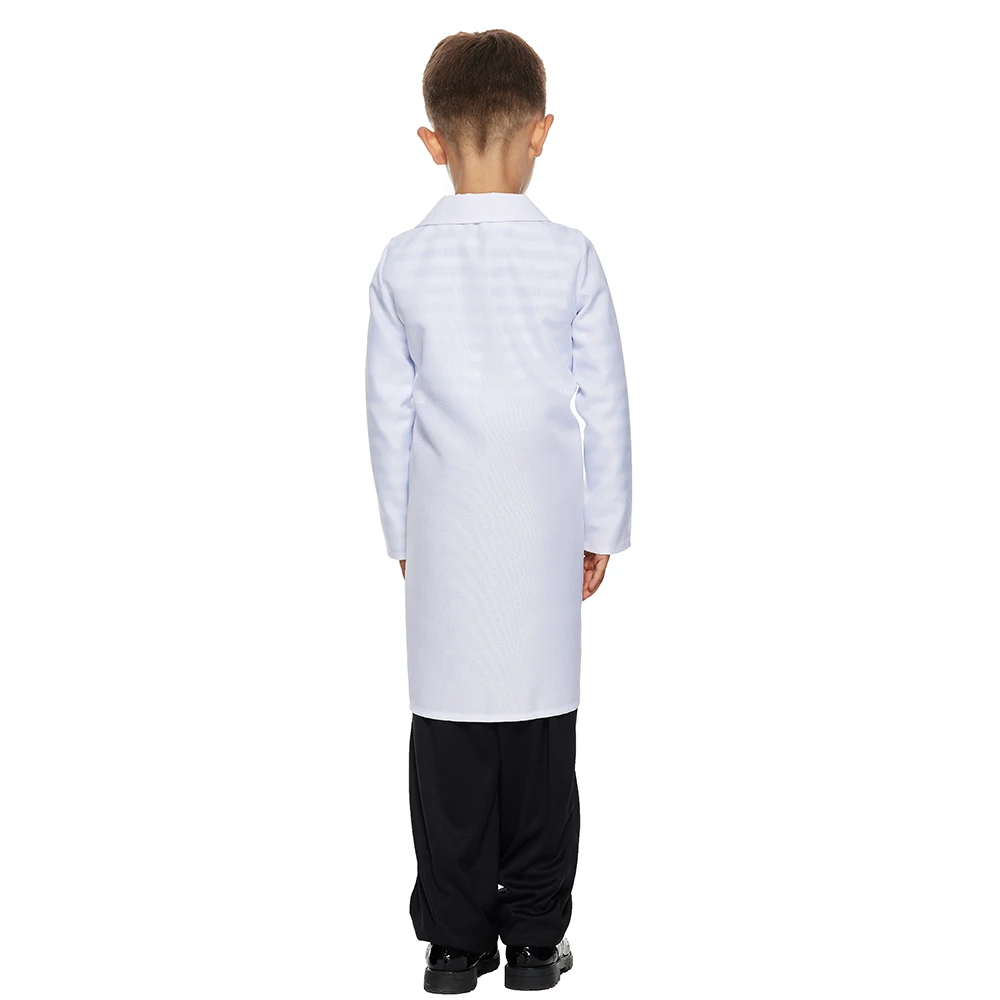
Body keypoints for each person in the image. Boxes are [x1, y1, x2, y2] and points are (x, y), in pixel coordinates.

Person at [365, 28, 632, 994]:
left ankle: (454, 943)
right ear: (540, 131)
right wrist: (602, 528)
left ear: (432, 142)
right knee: (540, 737)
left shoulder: (403, 265)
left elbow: (387, 416)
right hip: (543, 532)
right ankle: (534, 940)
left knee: (448, 740)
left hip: (443, 533)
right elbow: (605, 401)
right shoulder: (570, 258)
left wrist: (404, 534)